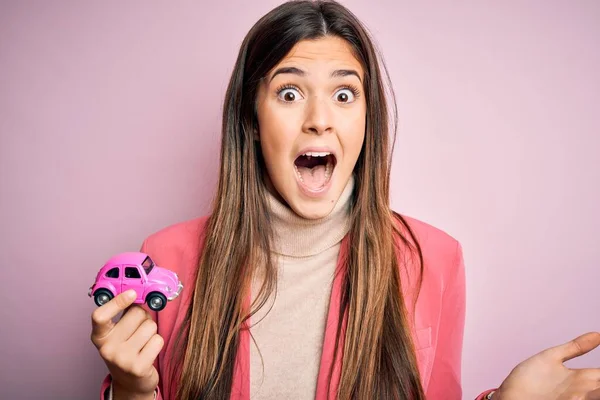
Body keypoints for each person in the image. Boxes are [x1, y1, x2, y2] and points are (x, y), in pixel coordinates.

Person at [90, 1, 600, 399]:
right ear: (251, 118)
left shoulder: (435, 258)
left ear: (366, 117)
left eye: (344, 94)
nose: (320, 119)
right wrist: (133, 393)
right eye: (289, 93)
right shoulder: (169, 257)